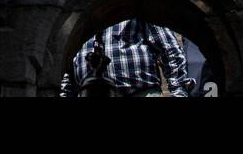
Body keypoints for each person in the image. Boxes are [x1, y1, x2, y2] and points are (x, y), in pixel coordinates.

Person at [60, 20, 194, 98]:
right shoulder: (80, 17)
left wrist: (179, 91)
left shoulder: (138, 4)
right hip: (89, 93)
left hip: (139, 93)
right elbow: (66, 63)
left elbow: (168, 48)